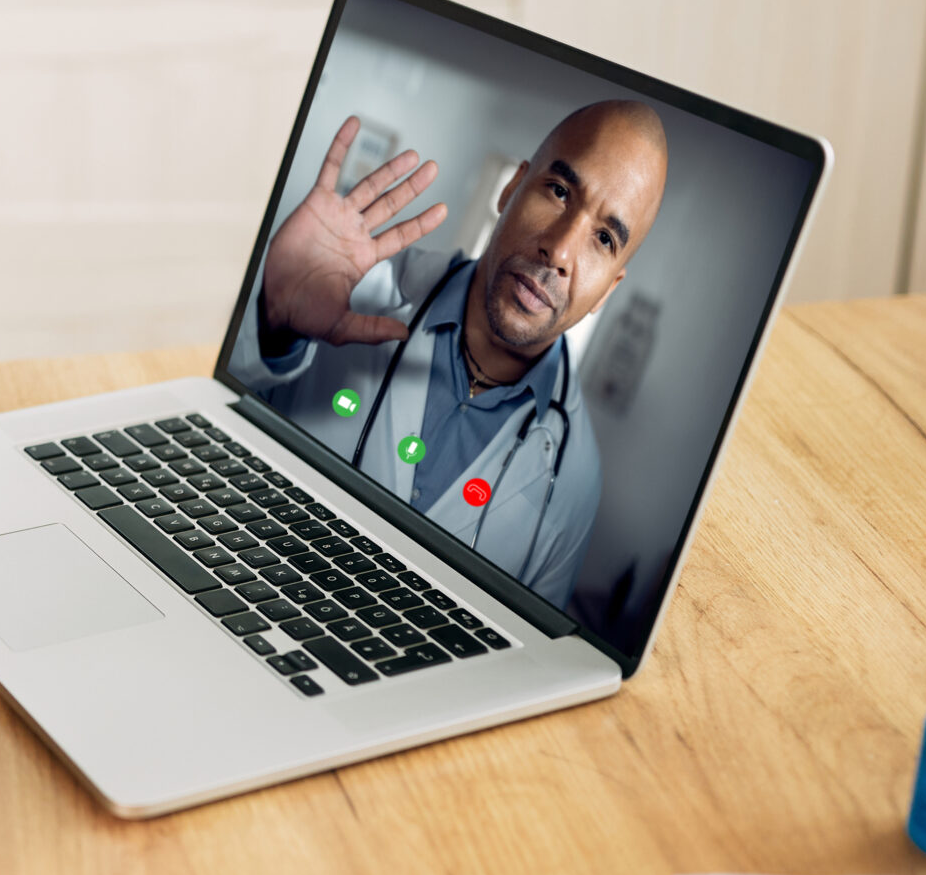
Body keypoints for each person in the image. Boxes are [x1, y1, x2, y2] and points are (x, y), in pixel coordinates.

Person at [235, 102, 671, 607]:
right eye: (559, 192)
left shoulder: (576, 477)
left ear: (608, 291)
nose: (561, 250)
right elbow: (212, 426)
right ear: (511, 189)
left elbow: (527, 660)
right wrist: (271, 319)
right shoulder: (356, 290)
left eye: (603, 238)